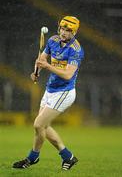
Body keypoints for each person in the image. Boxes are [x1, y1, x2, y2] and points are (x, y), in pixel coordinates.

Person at [12, 16, 84, 170]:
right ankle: (68, 157)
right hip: (50, 89)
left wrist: (47, 66)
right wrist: (36, 71)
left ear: (74, 33)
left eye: (68, 30)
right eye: (62, 29)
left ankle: (32, 158)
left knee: (38, 124)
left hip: (64, 92)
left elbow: (67, 75)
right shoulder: (52, 40)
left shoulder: (76, 50)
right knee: (42, 126)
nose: (64, 33)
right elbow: (41, 59)